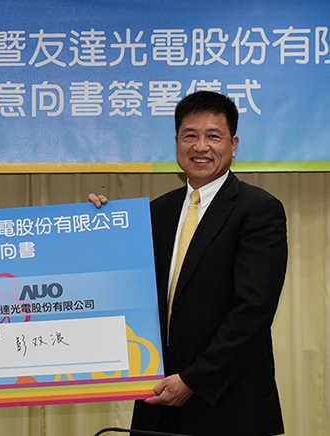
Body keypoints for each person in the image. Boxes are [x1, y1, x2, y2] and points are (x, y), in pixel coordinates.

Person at [89, 91, 287, 435]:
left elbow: (253, 312)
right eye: (190, 135)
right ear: (177, 142)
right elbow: (123, 287)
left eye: (213, 136)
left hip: (226, 405)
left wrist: (193, 380)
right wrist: (99, 227)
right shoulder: (156, 212)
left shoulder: (258, 210)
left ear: (234, 145)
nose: (200, 146)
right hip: (157, 401)